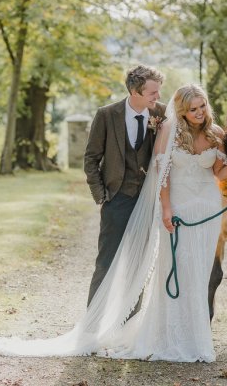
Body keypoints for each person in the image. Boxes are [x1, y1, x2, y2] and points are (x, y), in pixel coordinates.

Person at [0, 84, 227, 362]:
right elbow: (163, 173)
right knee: (177, 268)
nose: (198, 112)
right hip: (178, 209)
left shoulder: (216, 134)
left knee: (200, 271)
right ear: (182, 110)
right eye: (192, 109)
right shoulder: (170, 130)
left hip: (205, 209)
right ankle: (168, 337)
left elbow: (219, 173)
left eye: (202, 106)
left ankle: (196, 339)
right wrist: (166, 208)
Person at [84, 65, 166, 306]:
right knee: (106, 263)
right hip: (116, 198)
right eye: (153, 92)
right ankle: (92, 325)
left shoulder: (161, 114)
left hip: (148, 202)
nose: (158, 97)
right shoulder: (107, 115)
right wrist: (101, 195)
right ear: (134, 91)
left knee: (138, 265)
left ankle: (129, 326)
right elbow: (91, 158)